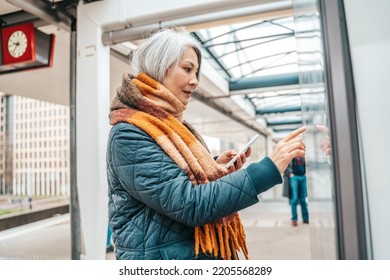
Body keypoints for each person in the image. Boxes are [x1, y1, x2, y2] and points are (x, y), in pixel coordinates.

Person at [106, 27, 306, 260]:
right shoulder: (129, 134)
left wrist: (212, 166)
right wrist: (269, 168)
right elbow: (189, 203)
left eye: (197, 72)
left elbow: (168, 178)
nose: (195, 81)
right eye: (188, 69)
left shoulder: (170, 126)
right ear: (159, 67)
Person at [284, 156, 308, 226]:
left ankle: (305, 219)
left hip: (303, 177)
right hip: (294, 177)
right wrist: (290, 173)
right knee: (294, 199)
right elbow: (285, 165)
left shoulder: (303, 154)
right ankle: (294, 219)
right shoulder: (291, 154)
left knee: (303, 199)